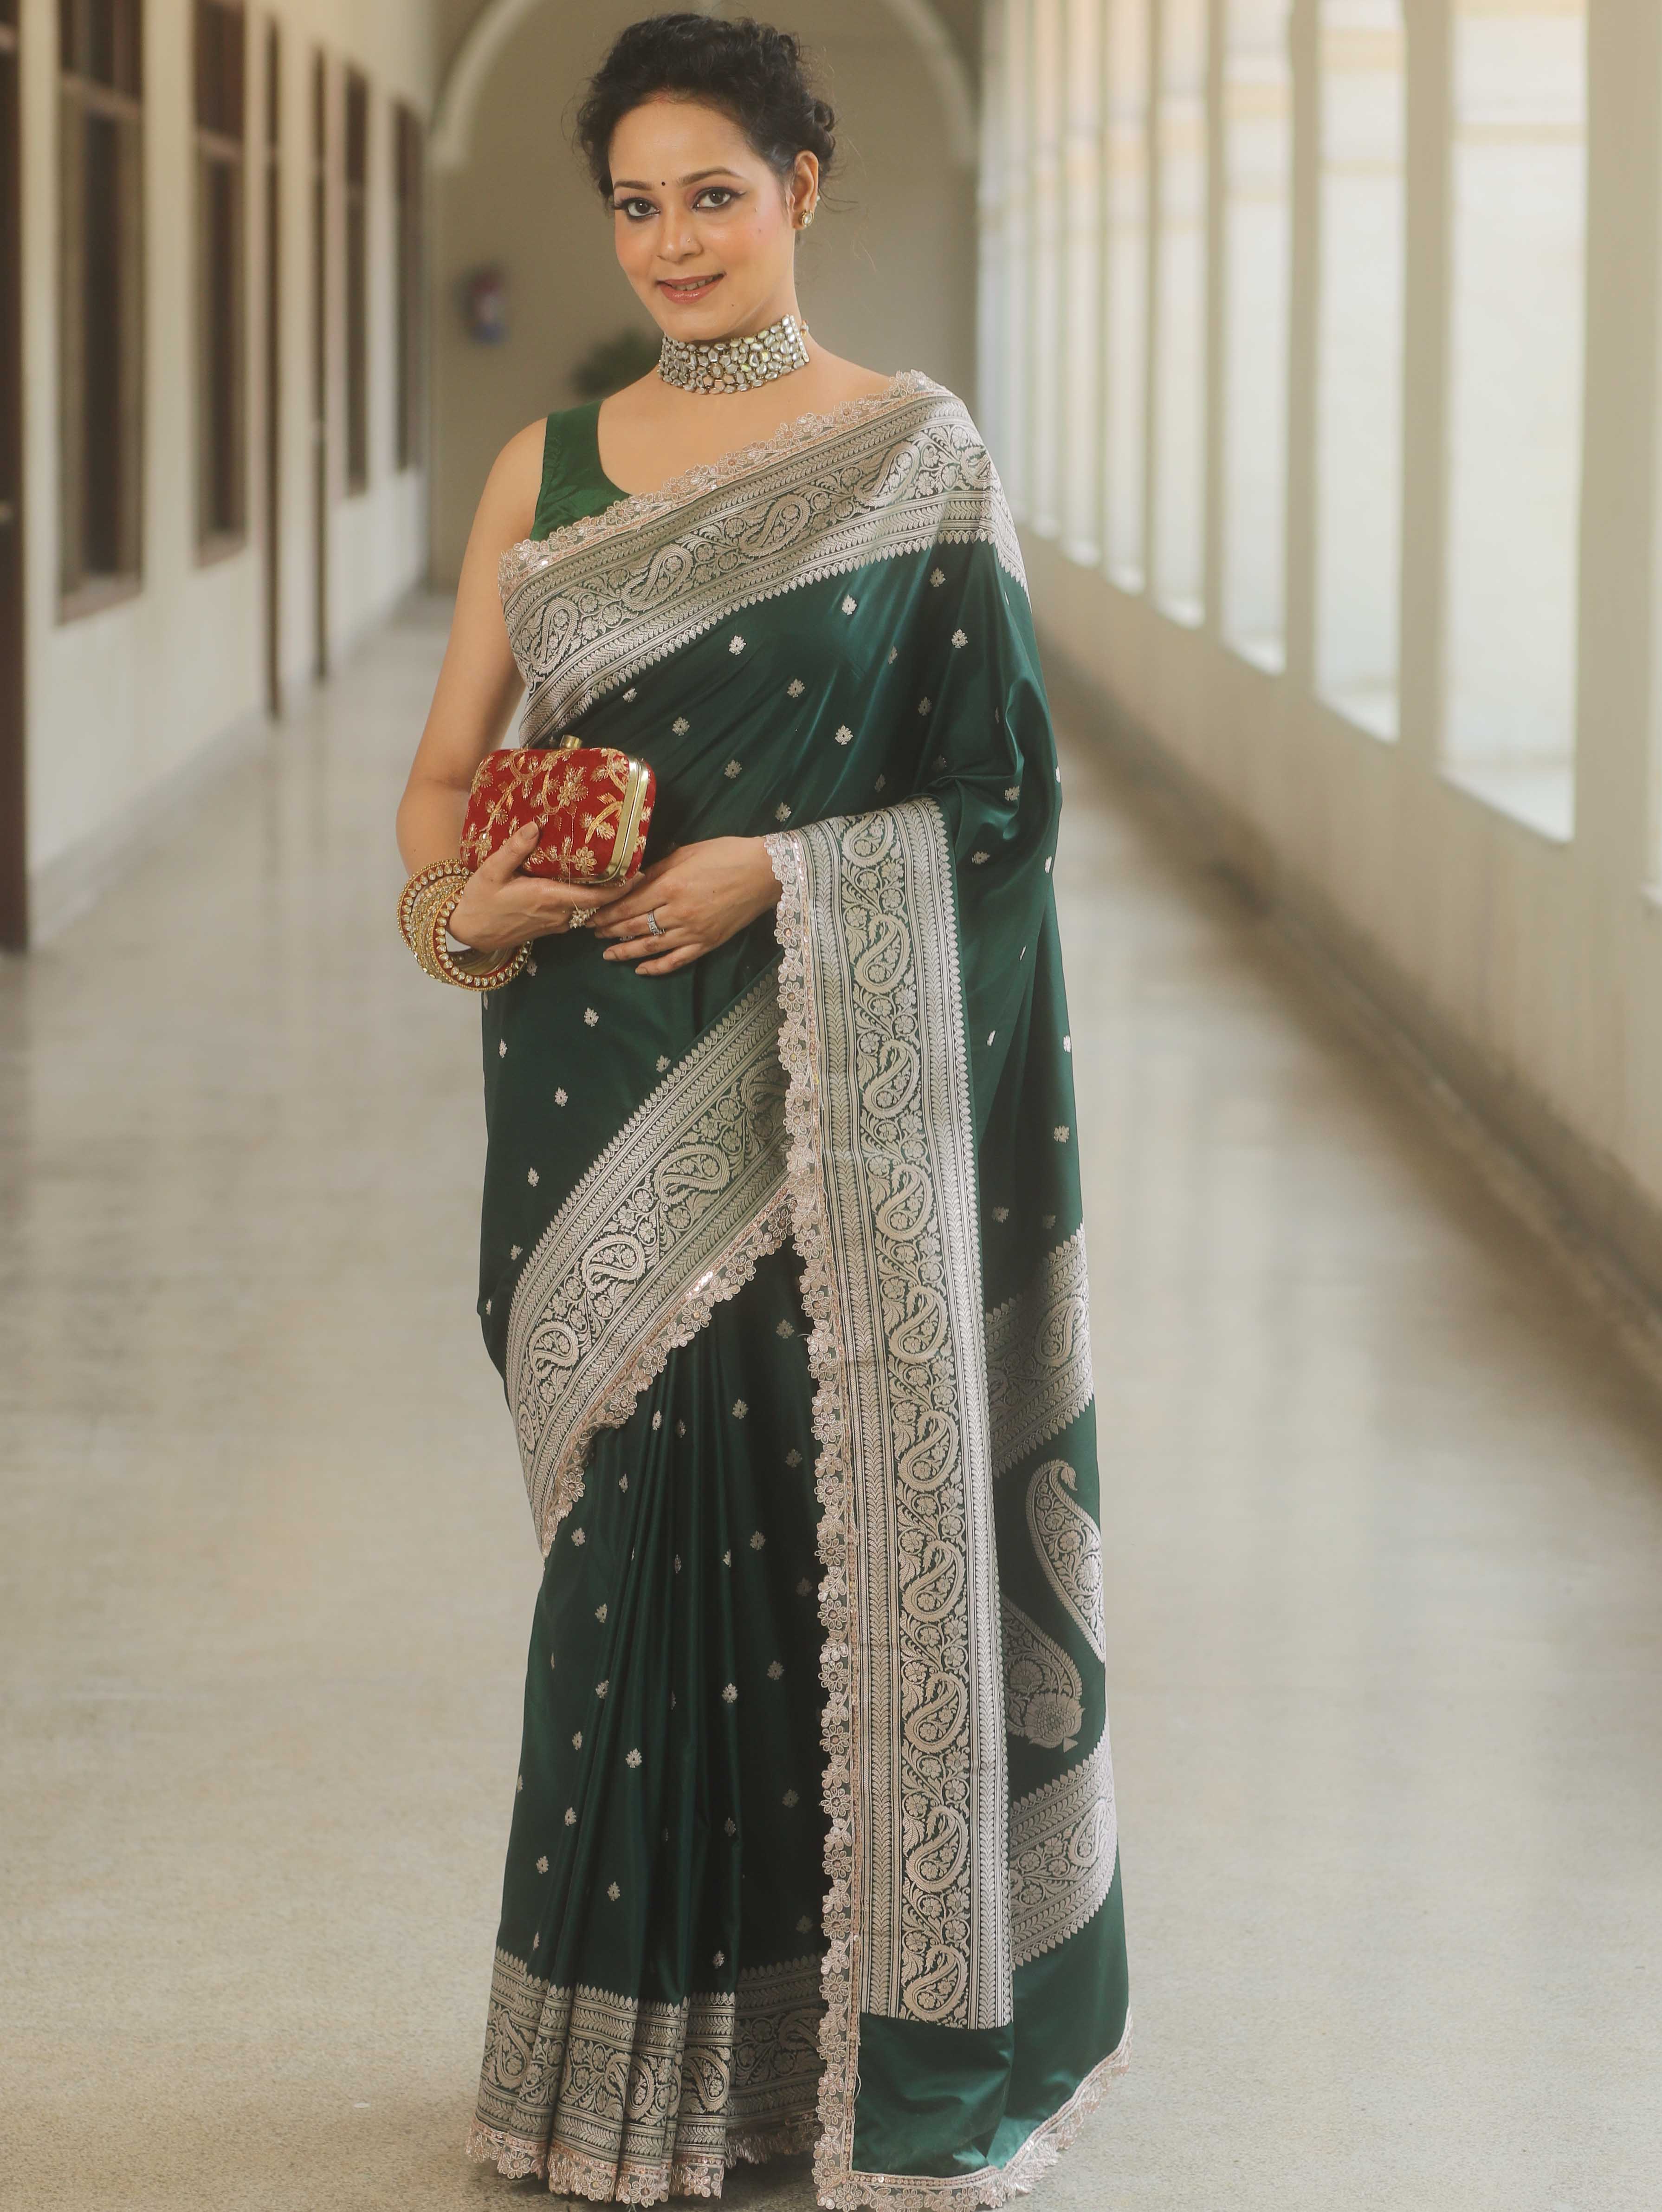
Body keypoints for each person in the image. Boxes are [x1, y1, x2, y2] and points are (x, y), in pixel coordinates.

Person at [394, 13, 1129, 2204]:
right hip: (590, 1080)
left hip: (838, 1110)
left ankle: (833, 2074)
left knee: (824, 1559)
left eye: (714, 192)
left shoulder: (916, 454)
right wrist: (457, 904)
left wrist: (780, 869)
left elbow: (1001, 801)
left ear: (802, 188)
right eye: (637, 201)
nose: (673, 240)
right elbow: (441, 779)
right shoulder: (551, 463)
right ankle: (613, 2095)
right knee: (631, 1573)